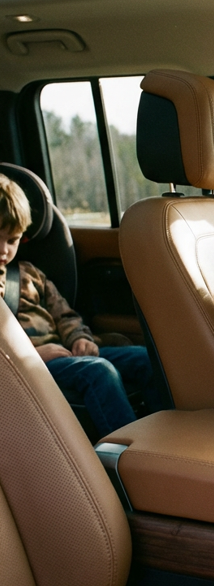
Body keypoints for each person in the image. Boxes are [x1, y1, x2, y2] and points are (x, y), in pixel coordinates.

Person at [0, 173, 156, 437]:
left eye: (12, 240)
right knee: (99, 372)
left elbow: (64, 315)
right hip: (29, 365)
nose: (3, 250)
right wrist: (32, 356)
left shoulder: (30, 273)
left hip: (66, 352)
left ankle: (164, 438)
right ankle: (131, 453)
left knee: (148, 359)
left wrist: (79, 338)